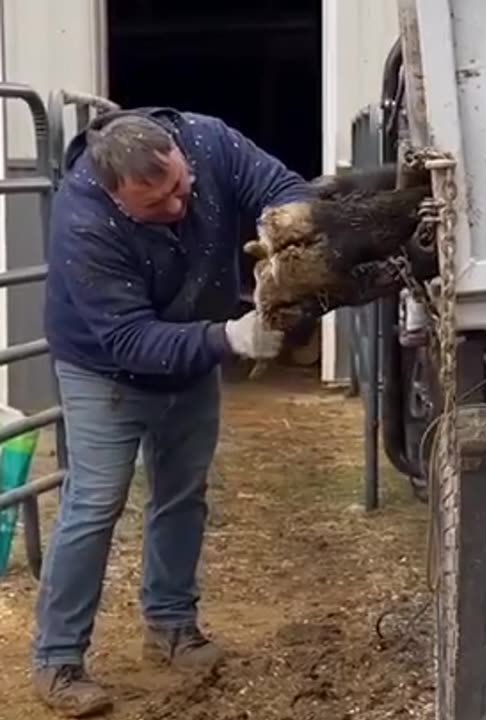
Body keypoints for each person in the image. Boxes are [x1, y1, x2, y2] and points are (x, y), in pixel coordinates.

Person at [31, 107, 314, 717]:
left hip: (189, 353)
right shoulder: (84, 221)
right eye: (155, 205)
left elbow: (286, 189)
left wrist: (288, 255)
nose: (178, 208)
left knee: (183, 492)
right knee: (94, 503)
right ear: (114, 195)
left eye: (181, 189)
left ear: (182, 158)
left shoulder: (210, 142)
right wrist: (231, 340)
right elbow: (130, 340)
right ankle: (56, 660)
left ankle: (171, 625)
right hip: (105, 368)